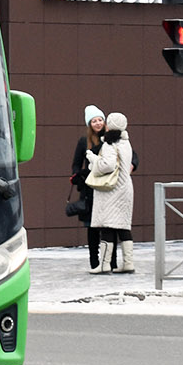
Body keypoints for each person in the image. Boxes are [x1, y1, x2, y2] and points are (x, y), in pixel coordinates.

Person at [86, 111, 135, 274]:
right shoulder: (126, 142)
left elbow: (107, 165)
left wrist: (93, 159)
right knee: (123, 226)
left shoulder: (109, 144)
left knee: (106, 225)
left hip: (111, 190)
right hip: (125, 187)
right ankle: (128, 263)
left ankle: (105, 265)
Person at [69, 105, 104, 269]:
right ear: (89, 124)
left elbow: (129, 154)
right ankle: (94, 261)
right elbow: (76, 164)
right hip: (90, 188)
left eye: (100, 120)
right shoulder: (84, 141)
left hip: (107, 187)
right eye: (94, 121)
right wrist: (79, 177)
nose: (98, 123)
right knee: (92, 226)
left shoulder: (111, 139)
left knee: (107, 225)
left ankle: (109, 260)